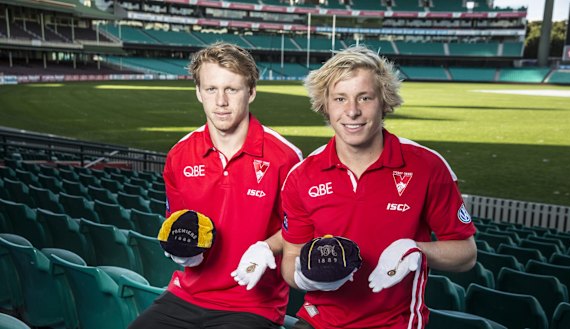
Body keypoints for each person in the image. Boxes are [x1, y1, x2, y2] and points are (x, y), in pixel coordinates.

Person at [280, 46, 477, 329]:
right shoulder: (301, 176)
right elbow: (290, 256)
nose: (352, 111)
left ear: (384, 101)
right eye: (340, 98)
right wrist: (302, 277)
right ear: (325, 104)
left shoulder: (427, 166)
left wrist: (417, 250)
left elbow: (466, 254)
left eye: (365, 97)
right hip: (317, 322)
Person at [129, 42, 302, 329]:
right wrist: (181, 247)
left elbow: (302, 229)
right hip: (186, 294)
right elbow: (180, 223)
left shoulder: (285, 157)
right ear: (199, 93)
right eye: (211, 89)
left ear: (251, 92)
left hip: (253, 304)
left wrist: (267, 247)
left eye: (231, 89)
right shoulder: (179, 155)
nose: (221, 101)